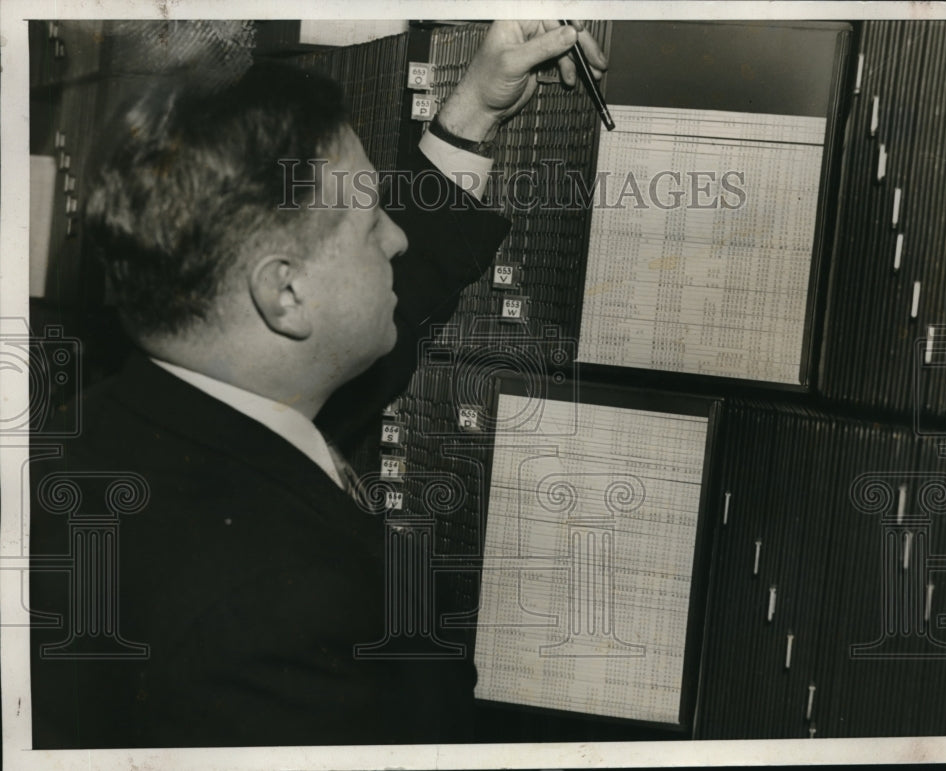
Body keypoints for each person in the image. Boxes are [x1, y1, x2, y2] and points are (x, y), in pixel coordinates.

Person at [29, 20, 608, 748]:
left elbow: (373, 306)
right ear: (284, 294)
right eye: (371, 223)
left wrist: (471, 116)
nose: (396, 237)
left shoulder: (124, 424)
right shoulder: (281, 617)